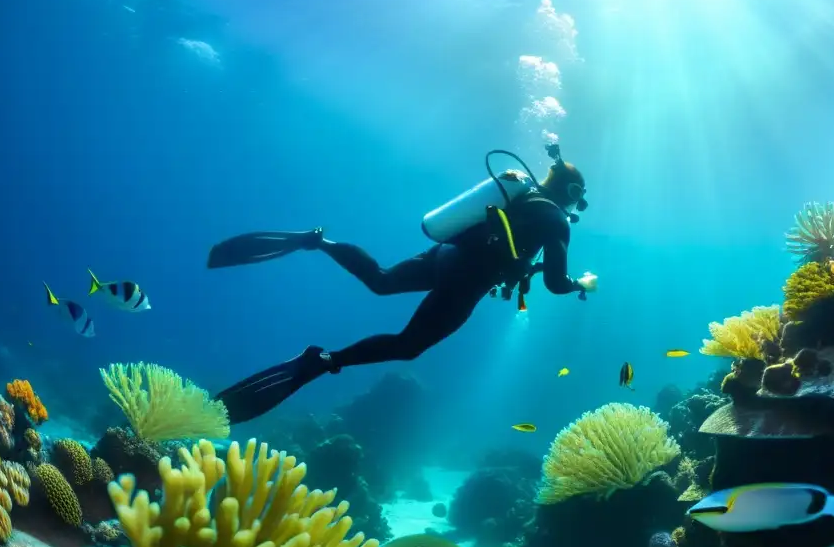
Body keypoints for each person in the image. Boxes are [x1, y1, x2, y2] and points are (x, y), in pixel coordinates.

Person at [208, 157, 597, 424]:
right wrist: (580, 283)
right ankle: (322, 360)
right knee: (408, 345)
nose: (576, 205)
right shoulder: (556, 221)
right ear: (571, 190)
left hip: (447, 253)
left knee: (381, 280)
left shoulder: (521, 193)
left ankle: (319, 242)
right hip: (468, 277)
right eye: (577, 197)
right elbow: (554, 283)